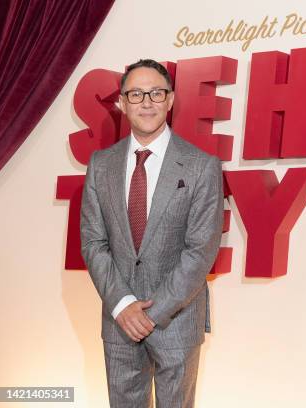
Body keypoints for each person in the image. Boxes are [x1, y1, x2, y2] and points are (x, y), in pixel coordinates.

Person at [80, 59, 223, 407]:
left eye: (156, 93)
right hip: (119, 321)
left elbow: (200, 250)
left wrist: (150, 314)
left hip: (176, 319)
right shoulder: (101, 165)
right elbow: (93, 242)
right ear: (123, 103)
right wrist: (124, 306)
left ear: (170, 100)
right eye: (136, 94)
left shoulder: (201, 165)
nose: (147, 102)